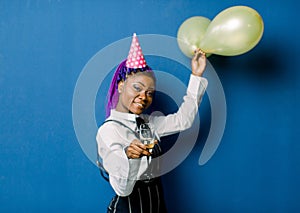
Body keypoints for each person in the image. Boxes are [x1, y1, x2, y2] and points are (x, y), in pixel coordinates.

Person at [96, 33, 208, 213]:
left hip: (157, 206)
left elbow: (184, 120)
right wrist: (128, 157)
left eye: (149, 92)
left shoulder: (149, 124)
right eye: (137, 88)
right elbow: (122, 189)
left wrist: (196, 75)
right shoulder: (109, 131)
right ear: (121, 86)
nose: (144, 97)